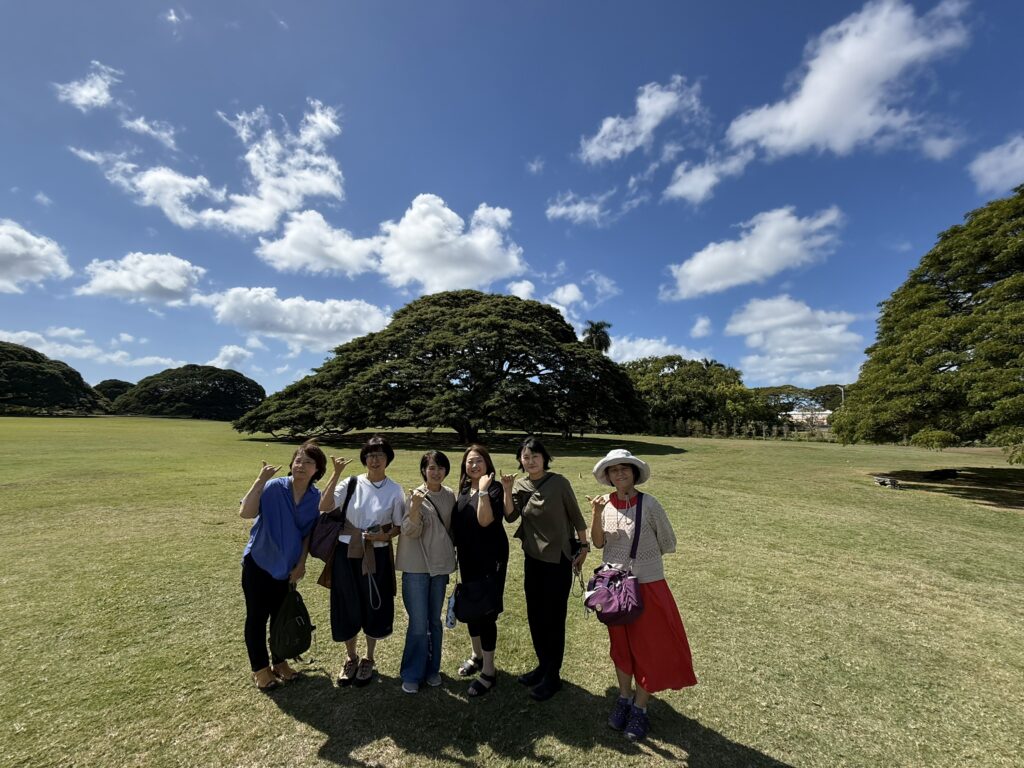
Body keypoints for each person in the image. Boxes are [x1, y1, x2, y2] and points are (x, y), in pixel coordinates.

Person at [588, 448, 697, 742]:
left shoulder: (650, 505)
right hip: (613, 587)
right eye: (614, 470)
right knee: (620, 647)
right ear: (608, 476)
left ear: (634, 473)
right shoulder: (604, 506)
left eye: (625, 468)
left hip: (647, 585)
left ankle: (640, 708)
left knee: (647, 647)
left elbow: (668, 542)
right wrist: (596, 514)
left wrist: (641, 561)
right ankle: (624, 698)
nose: (620, 473)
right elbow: (597, 543)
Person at [501, 436, 589, 701]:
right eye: (525, 457)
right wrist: (507, 489)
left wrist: (583, 548)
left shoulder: (559, 483)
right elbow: (510, 516)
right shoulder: (520, 484)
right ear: (520, 460)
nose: (530, 461)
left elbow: (577, 517)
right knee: (536, 616)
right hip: (533, 559)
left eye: (535, 456)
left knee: (553, 619)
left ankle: (553, 676)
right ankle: (542, 666)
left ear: (544, 458)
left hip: (558, 560)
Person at [239, 441, 327, 690]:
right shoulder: (274, 487)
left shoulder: (315, 498)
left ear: (317, 470)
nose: (301, 465)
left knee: (281, 617)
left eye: (308, 462)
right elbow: (246, 512)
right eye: (298, 460)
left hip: (287, 568)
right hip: (258, 562)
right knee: (257, 617)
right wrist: (260, 479)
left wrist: (301, 564)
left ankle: (280, 663)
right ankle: (260, 669)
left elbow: (307, 534)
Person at [319, 435, 405, 688]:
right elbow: (324, 506)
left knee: (373, 604)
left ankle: (368, 658)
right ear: (364, 458)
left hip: (376, 554)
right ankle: (350, 657)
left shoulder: (395, 489)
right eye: (369, 454)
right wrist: (336, 473)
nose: (374, 459)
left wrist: (385, 535)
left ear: (387, 458)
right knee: (346, 602)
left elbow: (398, 526)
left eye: (379, 454)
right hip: (346, 553)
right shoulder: (351, 482)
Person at [395, 450, 457, 694]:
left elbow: (451, 530)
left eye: (440, 467)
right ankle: (412, 672)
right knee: (419, 623)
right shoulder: (415, 495)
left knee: (435, 621)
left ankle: (433, 669)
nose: (436, 472)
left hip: (440, 567)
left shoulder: (450, 495)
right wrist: (415, 508)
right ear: (423, 470)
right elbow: (409, 531)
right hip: (417, 567)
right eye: (431, 467)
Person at [451, 444, 510, 697]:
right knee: (471, 603)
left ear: (487, 464)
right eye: (469, 462)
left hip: (490, 559)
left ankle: (489, 671)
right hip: (468, 558)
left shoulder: (493, 488)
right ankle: (476, 655)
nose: (473, 465)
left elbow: (485, 521)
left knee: (485, 612)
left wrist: (484, 492)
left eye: (478, 461)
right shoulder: (464, 489)